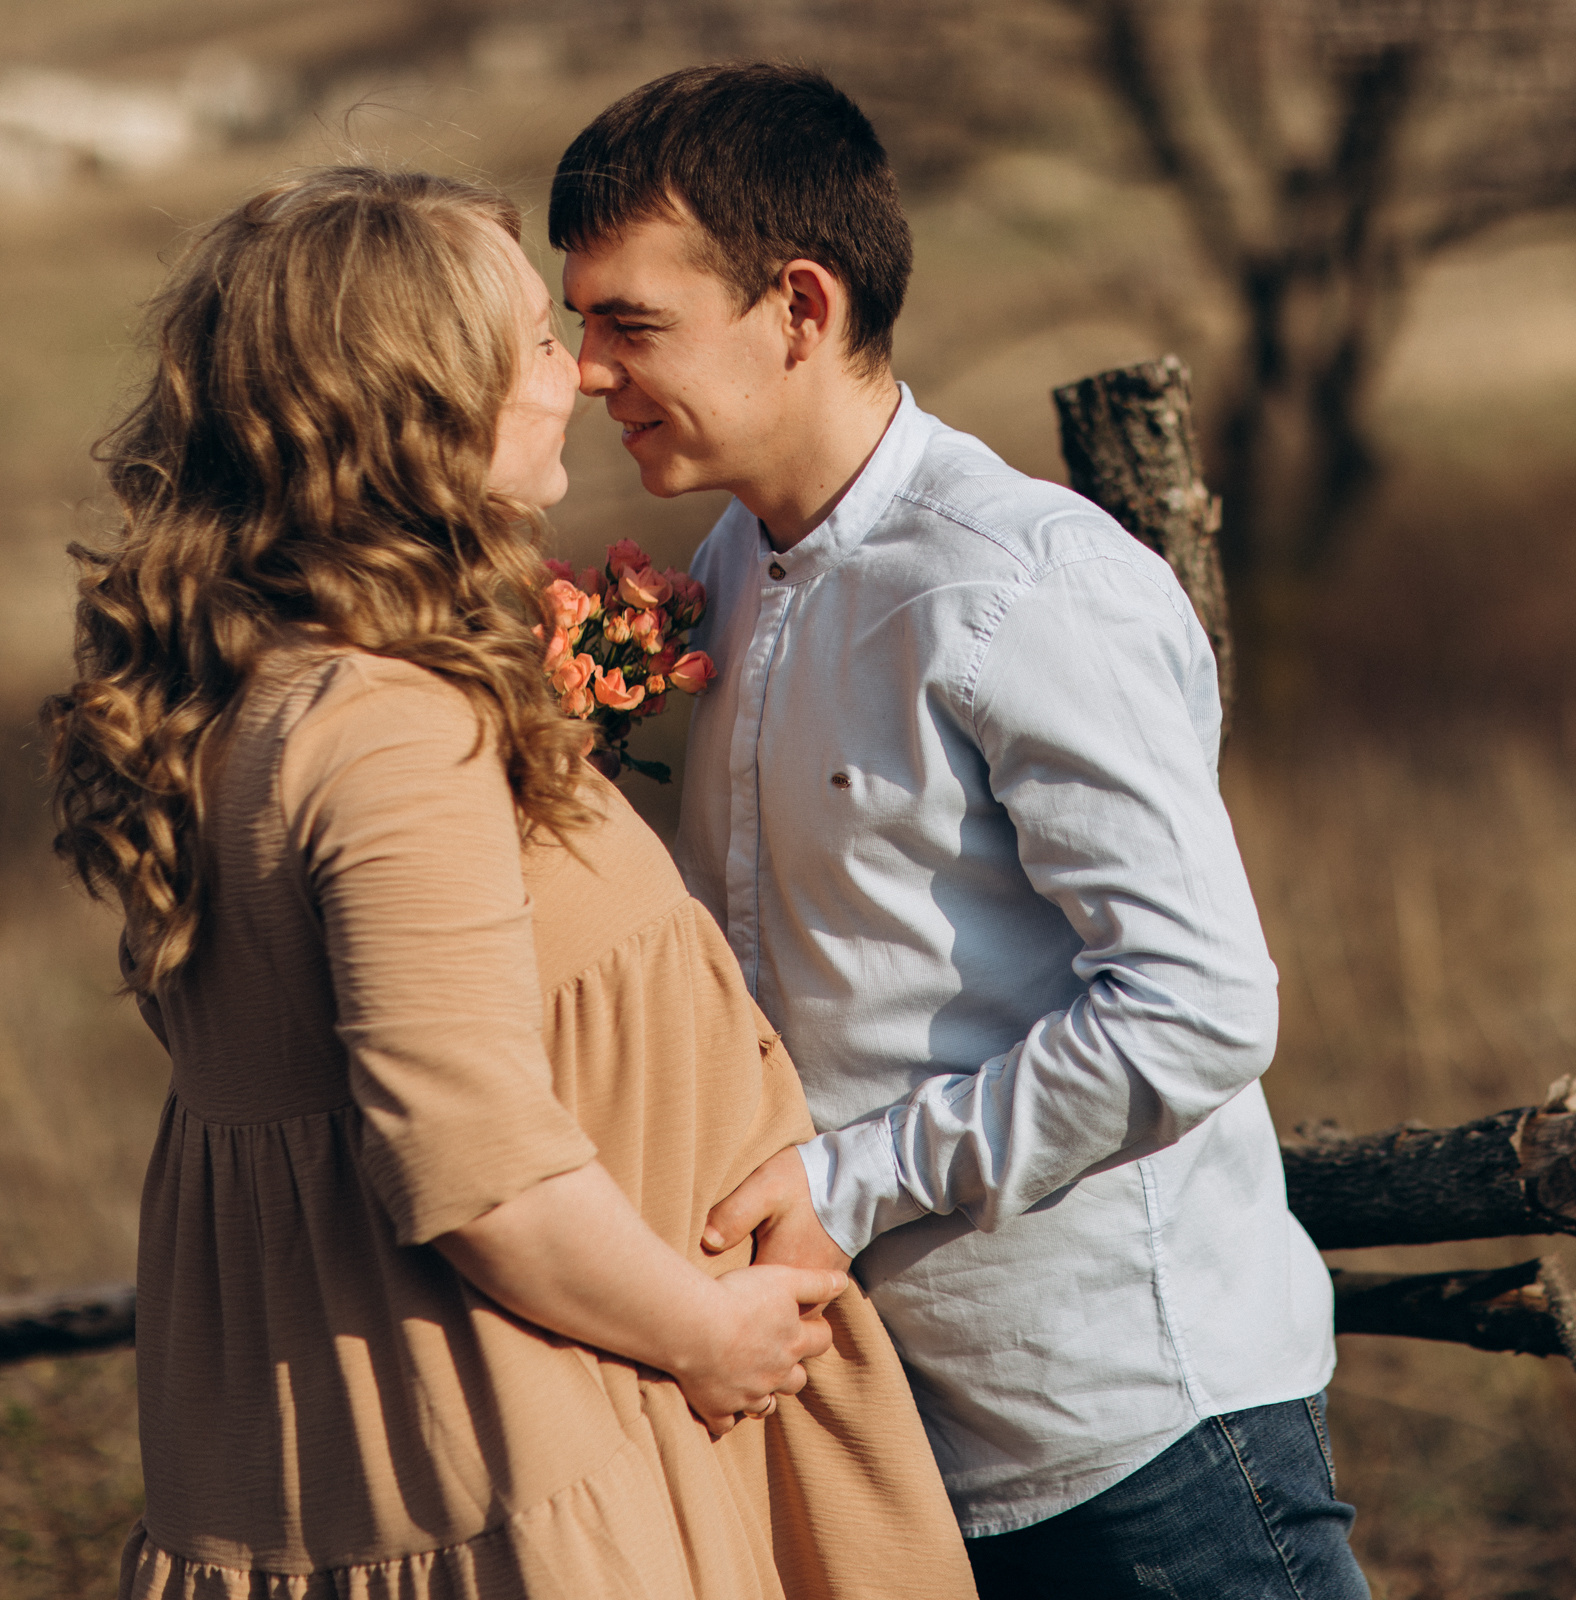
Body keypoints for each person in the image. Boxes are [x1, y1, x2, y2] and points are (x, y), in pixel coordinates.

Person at [43, 167, 974, 1600]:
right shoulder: (388, 728)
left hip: (393, 1430)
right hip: (501, 1449)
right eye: (537, 339)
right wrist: (704, 1332)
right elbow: (475, 1163)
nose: (579, 373)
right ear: (416, 403)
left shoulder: (252, 692)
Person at [552, 64, 1371, 1598]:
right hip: (880, 1449)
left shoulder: (1024, 588)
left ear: (800, 307)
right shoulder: (719, 576)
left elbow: (1200, 1009)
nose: (590, 369)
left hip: (1131, 1436)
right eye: (581, 322)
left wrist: (845, 1186)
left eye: (630, 323)